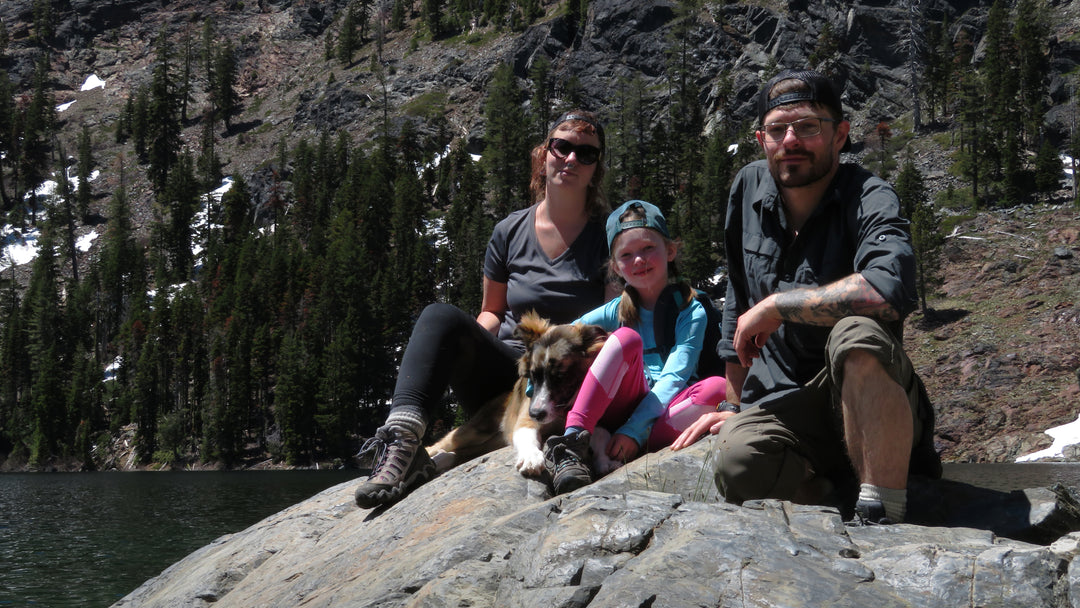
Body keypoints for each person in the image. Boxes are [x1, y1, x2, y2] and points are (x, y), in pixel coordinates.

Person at [672, 69, 939, 524]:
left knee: (856, 333)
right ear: (761, 139)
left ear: (840, 135)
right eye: (778, 129)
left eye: (809, 126)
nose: (791, 140)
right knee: (738, 465)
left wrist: (779, 305)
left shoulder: (868, 196)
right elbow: (738, 301)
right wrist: (734, 407)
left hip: (864, 390)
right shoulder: (748, 188)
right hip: (785, 405)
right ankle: (834, 491)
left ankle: (883, 513)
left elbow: (889, 289)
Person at [354, 110, 616, 508]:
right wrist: (472, 345)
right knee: (440, 317)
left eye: (586, 153)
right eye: (562, 146)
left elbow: (613, 319)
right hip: (509, 373)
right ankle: (402, 443)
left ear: (595, 168)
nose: (571, 159)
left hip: (567, 381)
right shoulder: (509, 232)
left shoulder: (607, 235)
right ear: (544, 154)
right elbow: (491, 313)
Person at [542, 200, 728, 495]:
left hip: (662, 412)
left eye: (647, 249)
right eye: (627, 255)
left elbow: (675, 376)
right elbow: (558, 339)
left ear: (670, 250)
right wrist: (534, 387)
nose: (639, 261)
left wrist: (633, 431)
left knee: (717, 387)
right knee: (626, 340)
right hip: (623, 405)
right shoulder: (616, 310)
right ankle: (572, 442)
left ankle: (632, 443)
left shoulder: (691, 310)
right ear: (615, 267)